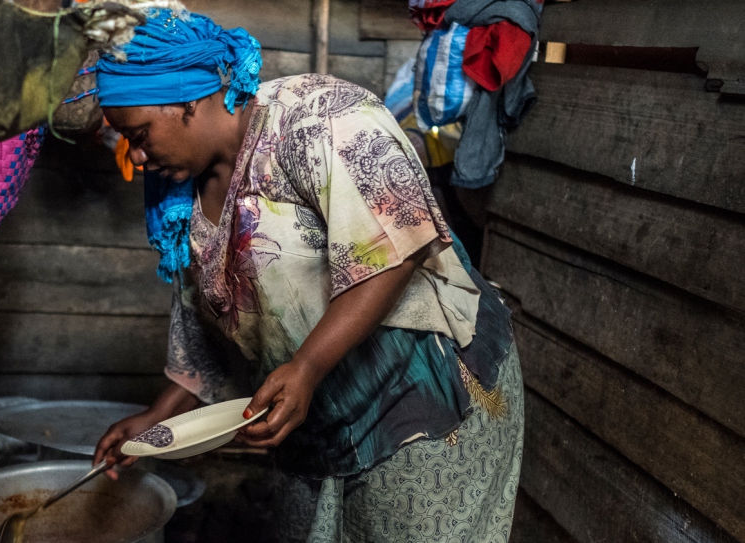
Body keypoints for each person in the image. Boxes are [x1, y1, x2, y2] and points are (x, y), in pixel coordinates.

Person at [91, 9, 523, 543]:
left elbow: (397, 245)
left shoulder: (322, 119)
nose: (133, 155)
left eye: (138, 134)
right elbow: (205, 319)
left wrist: (309, 366)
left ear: (189, 100)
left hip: (423, 396)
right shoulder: (178, 191)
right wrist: (159, 421)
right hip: (321, 412)